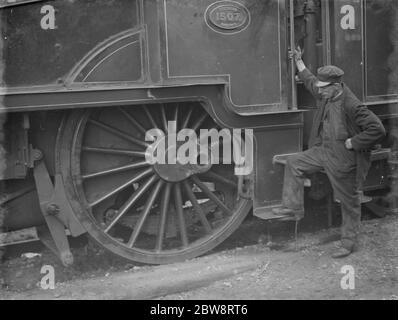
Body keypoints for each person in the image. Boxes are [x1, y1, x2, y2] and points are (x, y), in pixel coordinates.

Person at [273, 47, 386, 258]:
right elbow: (310, 82)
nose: (320, 91)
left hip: (343, 159)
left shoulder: (352, 105)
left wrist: (355, 142)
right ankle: (293, 209)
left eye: (324, 88)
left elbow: (377, 129)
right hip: (323, 151)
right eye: (320, 88)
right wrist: (299, 62)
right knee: (294, 163)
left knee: (349, 202)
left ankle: (348, 243)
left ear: (336, 86)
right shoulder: (327, 94)